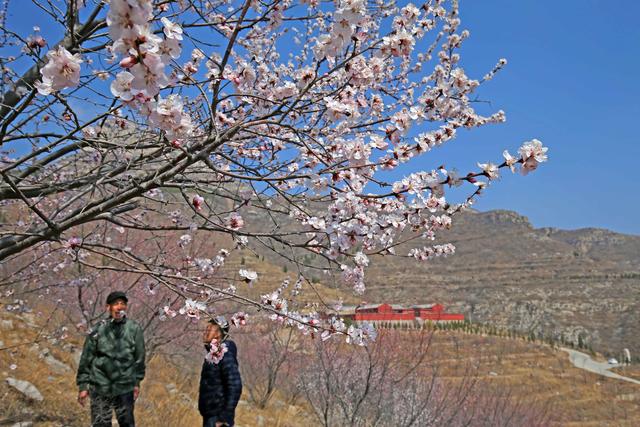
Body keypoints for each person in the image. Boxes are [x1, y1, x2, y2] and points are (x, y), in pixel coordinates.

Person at [76, 291, 146, 427]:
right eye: (116, 304)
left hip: (125, 387)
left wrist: (136, 383)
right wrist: (83, 386)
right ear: (108, 307)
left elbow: (139, 358)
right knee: (100, 424)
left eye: (123, 304)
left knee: (127, 423)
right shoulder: (98, 329)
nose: (120, 307)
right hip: (99, 386)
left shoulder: (134, 329)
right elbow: (86, 358)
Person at [199, 316, 243, 427]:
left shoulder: (224, 354)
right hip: (211, 416)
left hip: (218, 418)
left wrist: (224, 417)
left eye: (209, 330)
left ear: (218, 334)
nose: (205, 332)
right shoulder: (213, 354)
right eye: (206, 330)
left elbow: (235, 385)